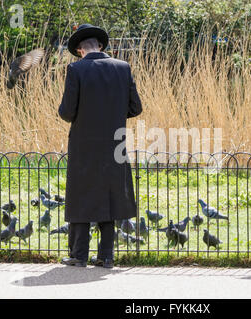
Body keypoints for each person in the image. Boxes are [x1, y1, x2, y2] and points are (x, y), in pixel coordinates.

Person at [58, 24, 142, 268]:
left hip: (84, 144)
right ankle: (106, 256)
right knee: (111, 195)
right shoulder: (123, 68)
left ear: (80, 50)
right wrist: (113, 113)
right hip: (115, 143)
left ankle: (79, 254)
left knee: (81, 195)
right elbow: (136, 107)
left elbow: (67, 112)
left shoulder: (75, 69)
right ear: (101, 46)